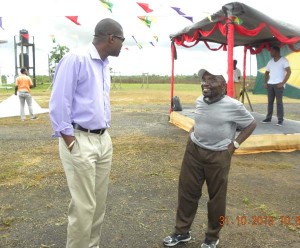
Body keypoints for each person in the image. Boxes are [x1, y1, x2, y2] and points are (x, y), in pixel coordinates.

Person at [49, 18, 124, 248]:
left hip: (103, 140)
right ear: (111, 38)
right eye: (121, 40)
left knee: (98, 204)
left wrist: (105, 138)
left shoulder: (103, 65)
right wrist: (70, 141)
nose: (122, 45)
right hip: (80, 139)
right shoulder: (76, 59)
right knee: (84, 206)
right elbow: (59, 102)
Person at [163, 69, 257, 248]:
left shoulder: (233, 105)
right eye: (204, 79)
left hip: (219, 155)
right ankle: (181, 233)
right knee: (187, 193)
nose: (205, 83)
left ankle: (212, 237)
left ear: (223, 85)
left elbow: (251, 123)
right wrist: (193, 134)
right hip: (194, 152)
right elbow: (200, 121)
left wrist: (234, 146)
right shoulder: (200, 101)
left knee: (216, 198)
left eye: (211, 80)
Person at [261, 45, 291, 126]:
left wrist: (283, 83)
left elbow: (289, 72)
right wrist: (265, 82)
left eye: (272, 51)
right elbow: (266, 72)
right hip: (270, 84)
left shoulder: (284, 60)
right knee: (270, 102)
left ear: (277, 51)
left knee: (279, 103)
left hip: (279, 85)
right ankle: (268, 118)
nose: (270, 52)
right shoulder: (270, 61)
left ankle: (280, 120)